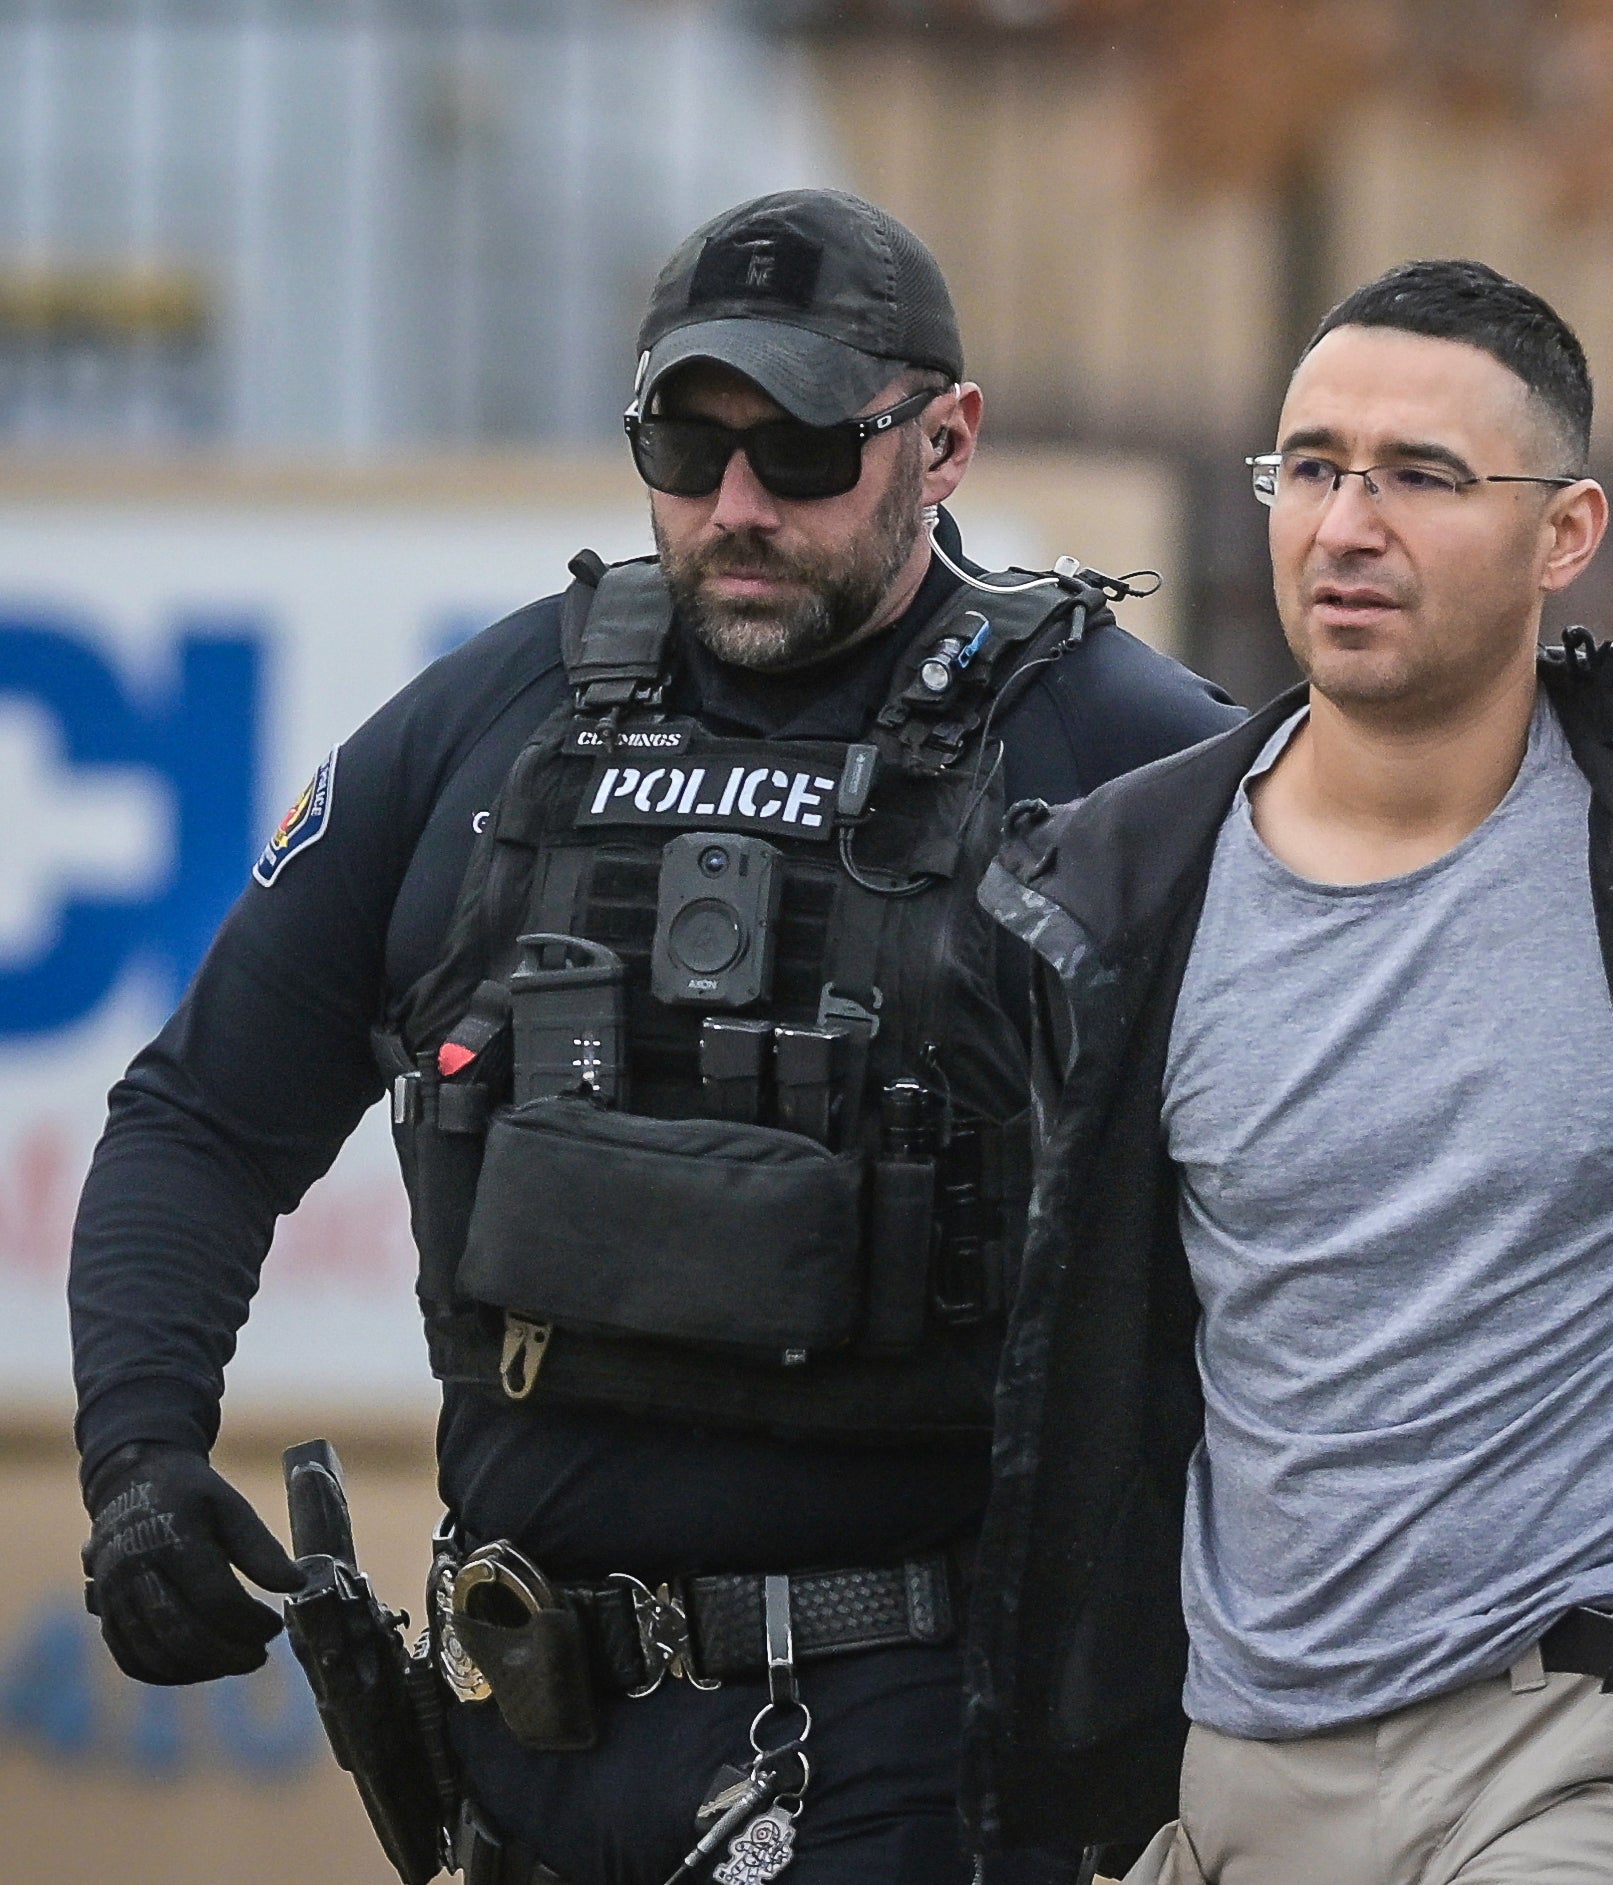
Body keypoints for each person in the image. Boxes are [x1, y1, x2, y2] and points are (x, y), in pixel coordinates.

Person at [68, 188, 1241, 1885]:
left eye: (806, 452)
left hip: (909, 1734)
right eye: (688, 448)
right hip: (519, 1729)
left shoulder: (1120, 753)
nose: (738, 506)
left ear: (947, 440)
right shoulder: (490, 721)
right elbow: (203, 1114)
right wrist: (142, 1456)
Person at [954, 259, 1613, 1885]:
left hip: (1606, 1734)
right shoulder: (1119, 879)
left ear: (1565, 533)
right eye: (1311, 466)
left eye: (1422, 477)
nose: (1346, 523)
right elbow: (1092, 1324)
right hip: (1238, 1757)